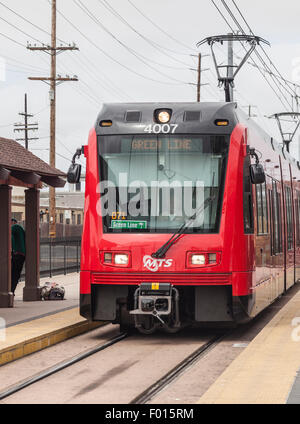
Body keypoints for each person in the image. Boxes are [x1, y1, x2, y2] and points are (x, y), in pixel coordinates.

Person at [11, 218, 26, 295]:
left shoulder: (15, 227)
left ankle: (11, 291)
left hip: (18, 255)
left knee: (13, 274)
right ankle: (12, 290)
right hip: (20, 255)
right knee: (15, 274)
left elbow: (6, 231)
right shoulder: (19, 230)